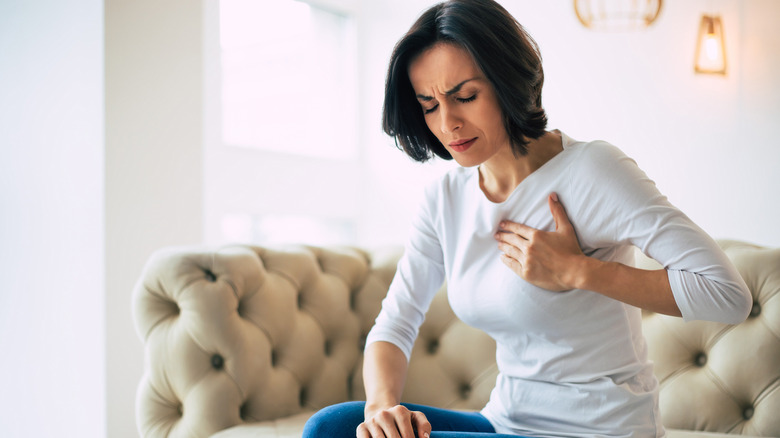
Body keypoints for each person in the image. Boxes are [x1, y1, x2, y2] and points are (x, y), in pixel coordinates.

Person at [303, 0, 753, 437]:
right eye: (429, 105)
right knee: (334, 427)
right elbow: (394, 325)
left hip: (598, 430)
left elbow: (727, 295)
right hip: (507, 421)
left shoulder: (592, 170)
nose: (448, 124)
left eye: (466, 96)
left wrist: (580, 271)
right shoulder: (446, 198)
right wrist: (383, 413)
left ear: (507, 82)